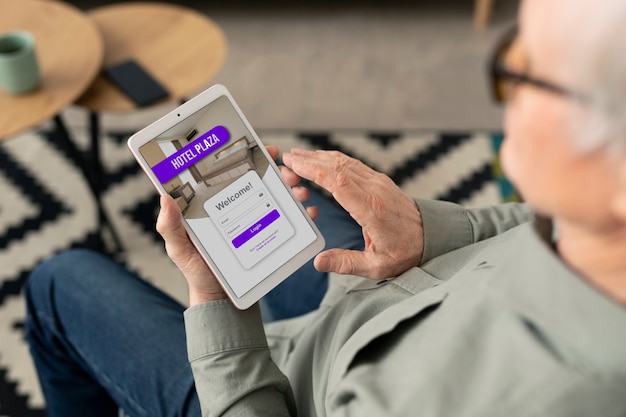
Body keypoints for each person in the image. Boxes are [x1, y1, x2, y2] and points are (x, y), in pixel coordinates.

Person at [25, 0, 626, 415]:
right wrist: (424, 232)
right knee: (288, 195)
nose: (505, 98)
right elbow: (527, 229)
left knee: (58, 284)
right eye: (511, 48)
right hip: (375, 302)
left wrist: (215, 301)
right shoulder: (591, 235)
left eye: (531, 74)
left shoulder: (511, 399)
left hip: (278, 389)